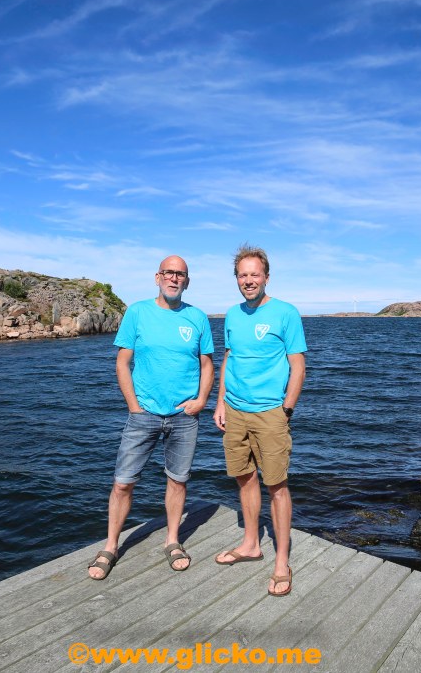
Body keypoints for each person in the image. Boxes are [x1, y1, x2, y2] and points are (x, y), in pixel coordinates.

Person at [88, 255, 214, 580]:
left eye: (181, 274)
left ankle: (172, 541)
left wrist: (201, 400)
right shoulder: (138, 312)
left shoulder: (198, 318)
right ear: (158, 277)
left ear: (187, 281)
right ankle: (111, 546)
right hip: (142, 415)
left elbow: (206, 365)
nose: (174, 278)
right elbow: (122, 362)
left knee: (178, 480)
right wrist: (133, 405)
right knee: (122, 483)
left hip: (184, 416)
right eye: (169, 273)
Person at [212, 244, 306, 597]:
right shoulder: (232, 316)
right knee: (244, 478)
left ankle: (282, 560)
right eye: (242, 275)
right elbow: (229, 359)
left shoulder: (286, 313)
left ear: (266, 277)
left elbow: (298, 365)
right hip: (235, 411)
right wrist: (220, 402)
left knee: (276, 486)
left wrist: (287, 409)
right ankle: (251, 543)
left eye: (254, 274)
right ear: (236, 279)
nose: (248, 281)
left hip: (270, 413)